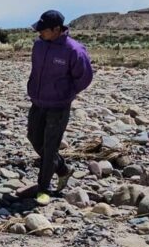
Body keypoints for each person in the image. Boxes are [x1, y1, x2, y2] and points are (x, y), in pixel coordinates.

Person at [19, 10, 93, 201]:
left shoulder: (74, 50)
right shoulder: (39, 46)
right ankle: (62, 169)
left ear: (57, 29)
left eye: (43, 30)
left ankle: (44, 189)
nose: (39, 33)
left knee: (50, 147)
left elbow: (84, 77)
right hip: (38, 101)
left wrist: (66, 93)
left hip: (59, 106)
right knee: (34, 138)